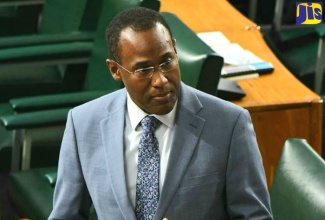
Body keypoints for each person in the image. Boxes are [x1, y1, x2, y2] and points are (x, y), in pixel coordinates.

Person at [49, 7, 273, 220]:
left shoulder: (230, 124)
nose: (161, 80)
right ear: (115, 70)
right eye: (143, 69)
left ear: (175, 50)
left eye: (167, 62)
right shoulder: (83, 124)